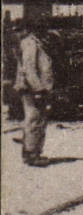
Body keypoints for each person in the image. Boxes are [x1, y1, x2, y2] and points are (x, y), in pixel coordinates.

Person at [15, 23, 54, 166]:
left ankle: (33, 152)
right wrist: (38, 88)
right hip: (33, 89)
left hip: (33, 87)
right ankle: (32, 154)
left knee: (37, 119)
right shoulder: (31, 43)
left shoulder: (32, 42)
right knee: (34, 119)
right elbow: (29, 69)